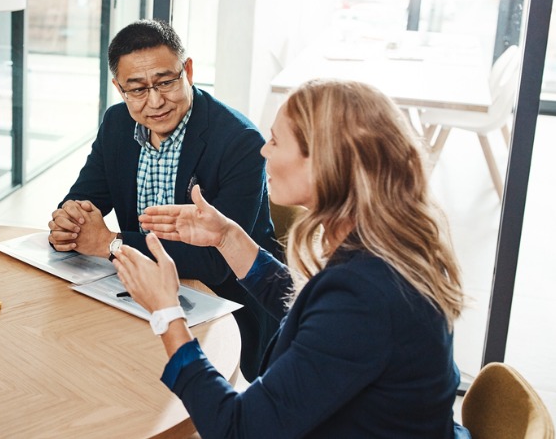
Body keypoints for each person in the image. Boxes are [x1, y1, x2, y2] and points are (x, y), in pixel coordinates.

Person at [113, 79, 469, 437]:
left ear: (326, 161)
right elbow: (315, 315)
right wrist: (227, 237)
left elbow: (238, 430)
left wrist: (166, 313)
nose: (264, 151)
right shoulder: (382, 245)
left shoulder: (367, 294)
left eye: (276, 141)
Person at [48, 19, 279, 380]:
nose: (155, 102)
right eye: (137, 89)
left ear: (187, 70)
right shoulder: (117, 124)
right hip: (139, 297)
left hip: (223, 306)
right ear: (118, 87)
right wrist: (69, 221)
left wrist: (111, 244)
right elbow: (85, 197)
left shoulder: (240, 141)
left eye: (166, 82)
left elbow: (218, 262)